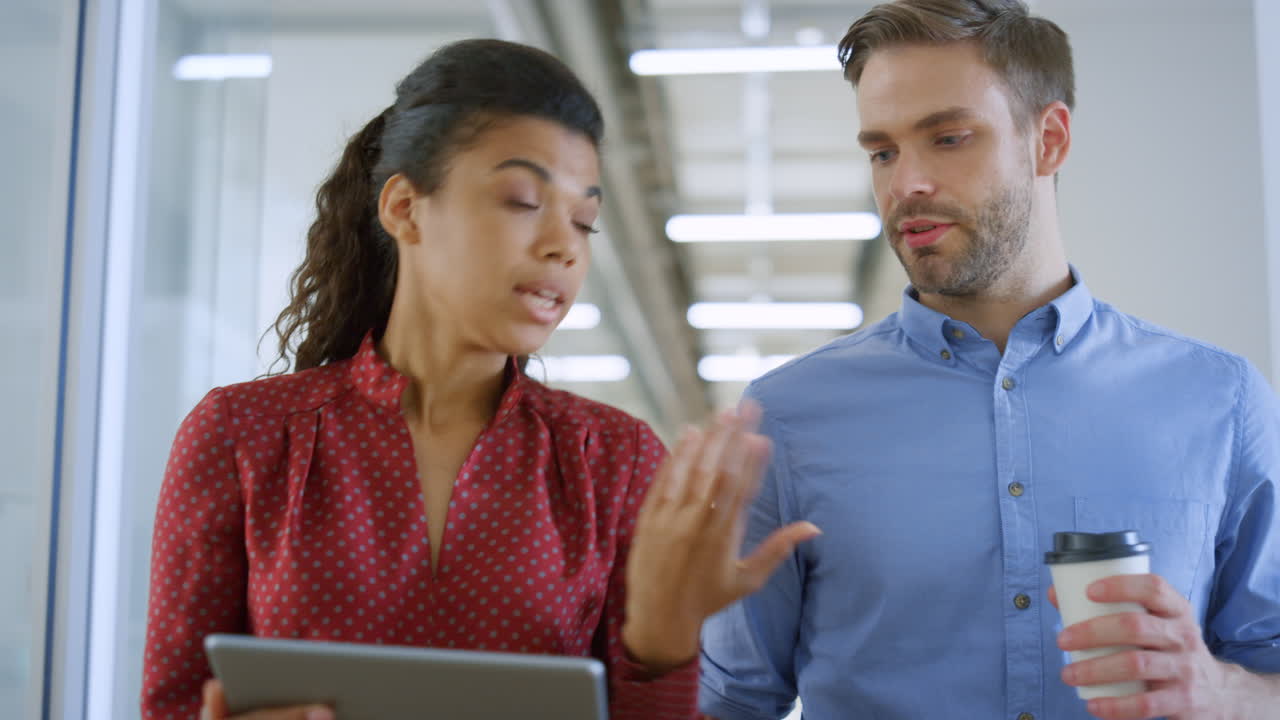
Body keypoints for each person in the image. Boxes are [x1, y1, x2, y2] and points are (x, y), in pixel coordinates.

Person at [140, 38, 818, 720]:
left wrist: (662, 647)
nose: (565, 245)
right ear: (404, 208)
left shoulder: (614, 457)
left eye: (585, 220)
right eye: (523, 200)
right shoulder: (242, 434)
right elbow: (170, 705)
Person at [697, 2, 1280, 719]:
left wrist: (1221, 692)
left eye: (947, 138)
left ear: (1050, 140)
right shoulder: (785, 420)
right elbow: (729, 701)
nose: (905, 182)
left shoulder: (1220, 400)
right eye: (882, 151)